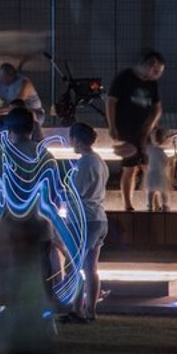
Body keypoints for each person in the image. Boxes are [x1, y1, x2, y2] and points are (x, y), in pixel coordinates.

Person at [105, 51, 164, 211]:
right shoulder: (125, 78)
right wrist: (112, 126)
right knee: (130, 168)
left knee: (150, 168)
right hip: (126, 129)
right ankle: (128, 205)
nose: (157, 76)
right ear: (149, 65)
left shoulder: (152, 84)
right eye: (156, 71)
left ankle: (156, 203)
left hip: (144, 131)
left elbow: (157, 108)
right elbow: (111, 102)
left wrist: (150, 126)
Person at [65, 123, 109, 322]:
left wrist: (59, 194)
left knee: (75, 266)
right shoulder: (98, 160)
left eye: (71, 138)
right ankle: (90, 310)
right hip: (98, 218)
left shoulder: (85, 163)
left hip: (84, 220)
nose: (69, 142)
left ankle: (76, 310)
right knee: (91, 268)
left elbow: (76, 193)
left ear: (77, 140)